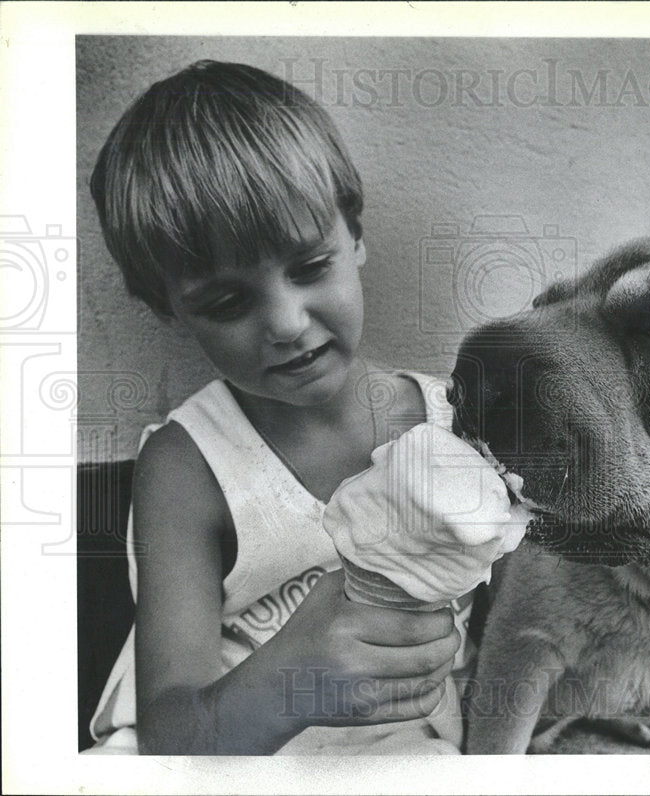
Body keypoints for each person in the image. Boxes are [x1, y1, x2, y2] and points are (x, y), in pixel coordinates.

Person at [86, 60, 467, 755]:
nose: (288, 322)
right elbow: (172, 733)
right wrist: (295, 680)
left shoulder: (452, 423)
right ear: (168, 310)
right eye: (228, 303)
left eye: (310, 266)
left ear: (354, 233)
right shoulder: (189, 462)